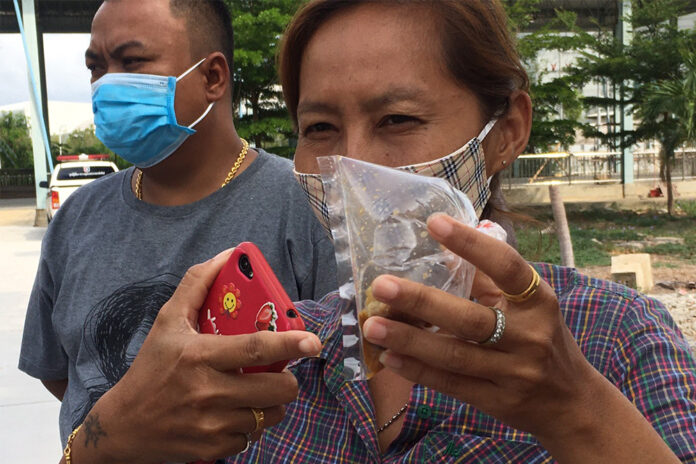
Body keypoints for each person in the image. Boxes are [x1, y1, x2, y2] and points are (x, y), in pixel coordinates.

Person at [228, 0, 696, 462]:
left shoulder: (615, 338)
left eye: (398, 119)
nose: (355, 165)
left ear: (507, 132)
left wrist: (573, 410)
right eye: (320, 127)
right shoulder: (279, 356)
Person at [17, 0, 335, 461]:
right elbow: (64, 373)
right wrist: (120, 429)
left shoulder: (306, 205)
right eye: (96, 68)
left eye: (131, 62)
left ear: (212, 77)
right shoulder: (76, 217)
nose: (107, 85)